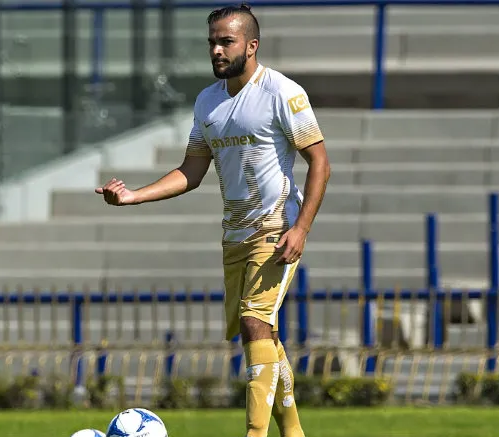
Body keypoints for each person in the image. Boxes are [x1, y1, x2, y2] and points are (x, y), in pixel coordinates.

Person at [95, 3, 330, 437]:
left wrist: (300, 229)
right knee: (261, 338)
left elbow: (320, 162)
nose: (217, 51)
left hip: (276, 228)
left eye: (227, 41)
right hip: (235, 235)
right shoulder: (208, 101)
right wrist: (133, 197)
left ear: (252, 45)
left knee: (254, 320)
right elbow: (191, 170)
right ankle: (294, 433)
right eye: (212, 43)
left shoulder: (282, 92)